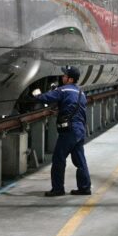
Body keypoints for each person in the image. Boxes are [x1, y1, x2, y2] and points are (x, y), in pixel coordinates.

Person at [32, 65, 91, 197]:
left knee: (58, 159)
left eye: (64, 76)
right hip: (80, 129)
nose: (62, 77)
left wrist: (37, 95)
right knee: (80, 160)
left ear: (70, 79)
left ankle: (58, 189)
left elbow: (46, 98)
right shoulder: (81, 92)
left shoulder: (63, 90)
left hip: (69, 130)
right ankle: (85, 188)